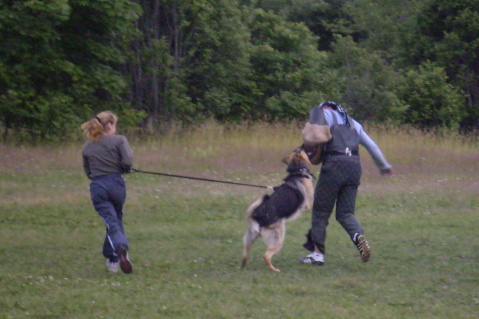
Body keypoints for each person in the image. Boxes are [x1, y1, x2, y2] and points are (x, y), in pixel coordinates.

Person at [299, 101, 392, 266]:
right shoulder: (353, 122)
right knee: (346, 213)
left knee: (321, 211)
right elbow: (371, 146)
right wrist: (384, 166)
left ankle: (317, 255)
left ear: (324, 108)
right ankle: (358, 236)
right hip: (354, 165)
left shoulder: (322, 115)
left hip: (334, 164)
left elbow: (310, 138)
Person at [81, 111, 134, 274]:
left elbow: (88, 172)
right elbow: (127, 161)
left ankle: (118, 250)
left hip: (98, 186)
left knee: (111, 222)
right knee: (116, 220)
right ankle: (113, 255)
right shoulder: (120, 140)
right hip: (117, 185)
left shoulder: (87, 146)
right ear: (109, 125)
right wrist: (124, 169)